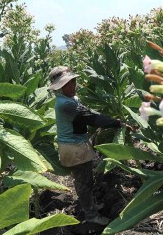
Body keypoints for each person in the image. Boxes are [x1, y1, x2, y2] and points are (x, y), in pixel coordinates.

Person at [48, 66, 124, 225]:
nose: (73, 86)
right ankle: (91, 215)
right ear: (60, 88)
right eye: (67, 84)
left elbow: (87, 111)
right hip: (74, 149)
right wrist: (116, 122)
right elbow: (91, 117)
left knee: (87, 180)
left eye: (73, 81)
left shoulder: (69, 99)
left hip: (78, 145)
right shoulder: (65, 104)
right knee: (83, 182)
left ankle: (91, 206)